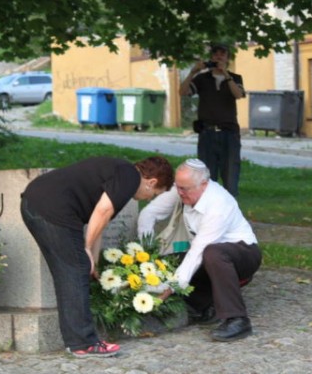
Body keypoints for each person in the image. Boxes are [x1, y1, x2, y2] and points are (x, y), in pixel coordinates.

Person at [20, 156, 174, 357]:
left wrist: (93, 260)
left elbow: (100, 220)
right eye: (153, 194)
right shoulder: (129, 177)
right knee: (74, 272)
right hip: (55, 210)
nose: (149, 198)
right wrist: (86, 248)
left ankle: (76, 342)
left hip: (33, 203)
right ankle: (83, 343)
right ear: (151, 182)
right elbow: (102, 211)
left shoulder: (121, 172)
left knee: (69, 272)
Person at [137, 159, 261, 342]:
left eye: (184, 189)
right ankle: (205, 305)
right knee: (166, 263)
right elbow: (148, 214)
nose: (179, 193)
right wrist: (146, 254)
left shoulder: (219, 203)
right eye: (177, 187)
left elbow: (198, 251)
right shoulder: (183, 188)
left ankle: (237, 319)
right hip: (208, 254)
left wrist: (171, 286)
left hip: (242, 255)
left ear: (204, 184)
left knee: (212, 253)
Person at [180, 43, 245, 197]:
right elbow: (183, 92)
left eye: (222, 54)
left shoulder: (235, 78)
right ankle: (208, 211)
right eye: (215, 54)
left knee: (230, 175)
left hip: (229, 133)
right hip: (207, 133)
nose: (219, 57)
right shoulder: (202, 78)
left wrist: (226, 75)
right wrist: (193, 72)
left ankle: (230, 212)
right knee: (206, 176)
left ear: (228, 58)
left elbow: (238, 95)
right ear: (211, 57)